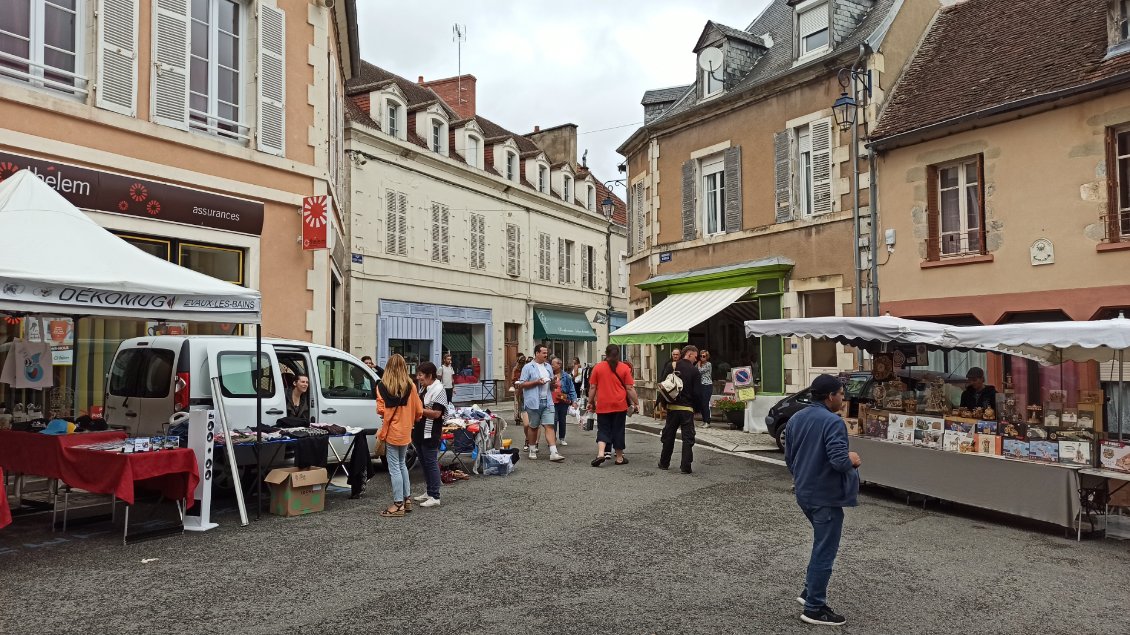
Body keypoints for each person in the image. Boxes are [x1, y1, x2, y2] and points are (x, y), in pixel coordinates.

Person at [783, 374, 860, 627]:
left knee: (820, 543)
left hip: (805, 490)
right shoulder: (832, 422)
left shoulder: (796, 417)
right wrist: (853, 459)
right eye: (840, 394)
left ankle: (808, 592)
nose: (843, 398)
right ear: (830, 396)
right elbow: (839, 461)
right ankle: (815, 606)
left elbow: (789, 457)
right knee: (825, 550)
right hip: (825, 494)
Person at [376, 354, 423, 518]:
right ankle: (407, 499)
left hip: (391, 431)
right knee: (402, 464)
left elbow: (380, 410)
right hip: (405, 431)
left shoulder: (382, 386)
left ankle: (398, 504)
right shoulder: (411, 386)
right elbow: (419, 411)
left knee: (394, 467)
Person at [587, 344, 639, 467]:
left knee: (603, 429)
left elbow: (593, 387)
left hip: (603, 404)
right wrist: (636, 402)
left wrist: (590, 402)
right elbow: (630, 388)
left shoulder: (598, 368)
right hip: (619, 404)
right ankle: (619, 457)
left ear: (606, 354)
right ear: (618, 354)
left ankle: (601, 454)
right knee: (618, 430)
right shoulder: (624, 368)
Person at [658, 346, 701, 474]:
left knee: (669, 436)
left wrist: (664, 404)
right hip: (687, 408)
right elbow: (697, 393)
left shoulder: (671, 366)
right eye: (695, 355)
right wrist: (697, 409)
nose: (696, 358)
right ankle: (685, 466)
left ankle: (664, 463)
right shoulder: (694, 371)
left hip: (672, 407)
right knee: (688, 438)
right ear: (689, 354)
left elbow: (663, 385)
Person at [519, 345, 565, 462]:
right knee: (533, 427)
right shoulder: (528, 367)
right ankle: (532, 449)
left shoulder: (548, 367)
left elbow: (550, 385)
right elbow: (522, 384)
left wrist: (553, 383)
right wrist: (536, 382)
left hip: (548, 401)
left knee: (549, 425)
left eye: (547, 353)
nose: (546, 355)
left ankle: (553, 452)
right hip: (534, 401)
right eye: (544, 353)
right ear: (537, 353)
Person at [413, 361, 448, 508]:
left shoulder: (438, 390)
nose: (418, 377)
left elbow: (437, 413)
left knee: (431, 463)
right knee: (424, 463)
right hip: (420, 430)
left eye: (420, 374)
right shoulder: (425, 388)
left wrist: (419, 409)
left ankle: (435, 495)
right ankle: (429, 491)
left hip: (431, 432)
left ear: (429, 375)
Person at [551, 356, 578, 447]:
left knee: (562, 420)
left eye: (553, 364)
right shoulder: (549, 375)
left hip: (563, 401)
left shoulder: (566, 376)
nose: (552, 366)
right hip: (552, 401)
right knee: (553, 420)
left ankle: (562, 438)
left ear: (559, 365)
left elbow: (571, 389)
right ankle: (552, 438)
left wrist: (574, 400)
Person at [697, 349, 714, 427]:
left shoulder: (708, 364)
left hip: (707, 385)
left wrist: (698, 365)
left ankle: (707, 421)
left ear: (707, 357)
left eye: (703, 356)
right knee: (701, 403)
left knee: (705, 403)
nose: (702, 357)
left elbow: (700, 371)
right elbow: (695, 371)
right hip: (700, 385)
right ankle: (704, 420)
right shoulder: (699, 364)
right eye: (700, 356)